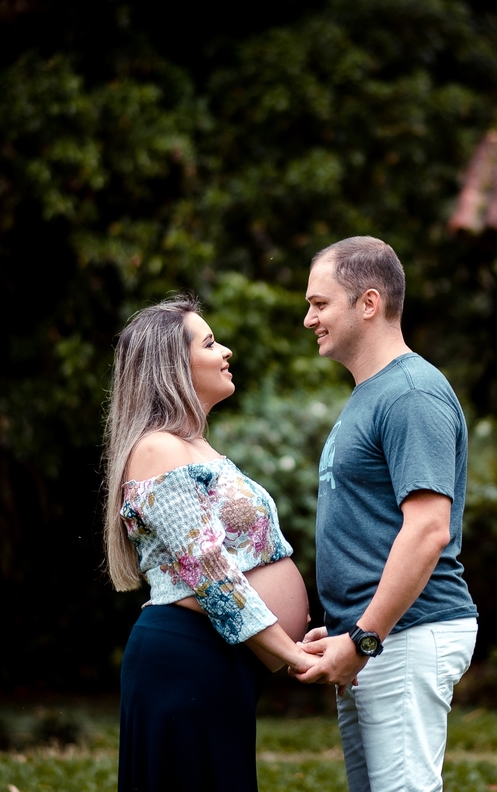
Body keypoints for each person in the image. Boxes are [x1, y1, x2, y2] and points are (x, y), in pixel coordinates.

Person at [103, 294, 313, 792]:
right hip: (186, 664)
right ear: (173, 365)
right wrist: (296, 655)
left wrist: (296, 645)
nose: (227, 352)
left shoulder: (195, 446)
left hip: (219, 665)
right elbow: (211, 573)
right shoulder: (158, 449)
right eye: (212, 342)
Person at [294, 237, 478, 792]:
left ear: (368, 303)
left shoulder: (410, 394)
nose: (309, 319)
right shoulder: (372, 395)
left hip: (404, 637)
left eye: (320, 303)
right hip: (377, 637)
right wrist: (352, 628)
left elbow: (428, 530)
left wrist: (364, 638)